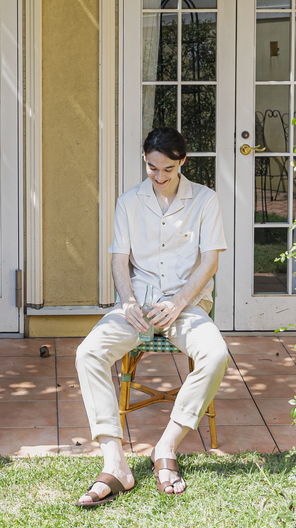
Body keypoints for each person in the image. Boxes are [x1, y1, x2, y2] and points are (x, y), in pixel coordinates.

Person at [74, 127, 229, 507]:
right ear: (145, 160)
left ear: (183, 162)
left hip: (186, 307)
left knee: (216, 355)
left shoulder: (205, 200)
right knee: (88, 353)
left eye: (168, 169)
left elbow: (210, 261)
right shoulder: (129, 202)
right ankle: (115, 463)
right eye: (152, 168)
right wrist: (127, 301)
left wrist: (178, 302)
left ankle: (166, 446)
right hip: (138, 307)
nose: (159, 177)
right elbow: (119, 259)